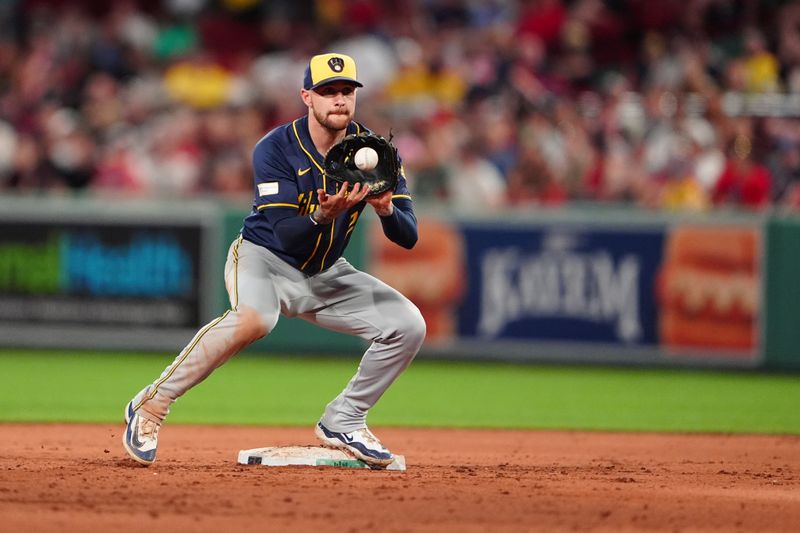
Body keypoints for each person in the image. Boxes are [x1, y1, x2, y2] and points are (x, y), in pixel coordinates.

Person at [122, 53, 426, 467]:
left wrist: (387, 208)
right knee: (255, 319)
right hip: (264, 258)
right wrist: (323, 214)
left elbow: (408, 236)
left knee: (408, 325)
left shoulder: (377, 153)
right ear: (307, 97)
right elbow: (284, 231)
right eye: (328, 91)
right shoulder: (277, 147)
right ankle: (151, 406)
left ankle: (345, 418)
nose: (339, 100)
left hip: (325, 273)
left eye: (346, 91)